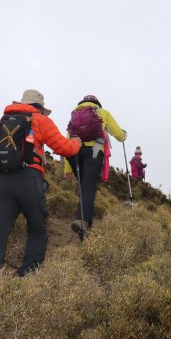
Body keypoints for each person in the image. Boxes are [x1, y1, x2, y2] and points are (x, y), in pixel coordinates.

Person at [0, 89, 81, 277]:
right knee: (36, 227)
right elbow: (64, 148)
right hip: (28, 180)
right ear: (40, 108)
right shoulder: (40, 120)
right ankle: (27, 275)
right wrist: (76, 142)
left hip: (0, 182)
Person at [64, 95, 126, 239]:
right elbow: (118, 134)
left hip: (75, 154)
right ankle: (84, 222)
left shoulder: (74, 115)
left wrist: (67, 168)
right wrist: (123, 136)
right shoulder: (102, 112)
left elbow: (68, 140)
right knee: (88, 187)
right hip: (94, 152)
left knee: (83, 187)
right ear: (97, 103)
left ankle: (83, 227)